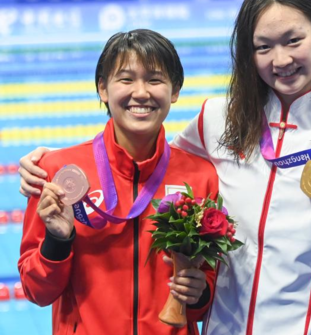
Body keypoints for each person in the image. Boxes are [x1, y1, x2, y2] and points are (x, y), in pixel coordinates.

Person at [18, 0, 311, 335]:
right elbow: (146, 159)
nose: (281, 60)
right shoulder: (217, 120)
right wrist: (51, 165)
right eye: (264, 47)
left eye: (293, 40)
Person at [18, 29, 219, 335]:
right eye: (126, 79)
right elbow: (36, 291)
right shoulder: (57, 172)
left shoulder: (200, 176)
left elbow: (208, 292)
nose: (141, 92)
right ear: (103, 89)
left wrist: (199, 293)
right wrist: (57, 241)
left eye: (155, 79)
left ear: (175, 90)